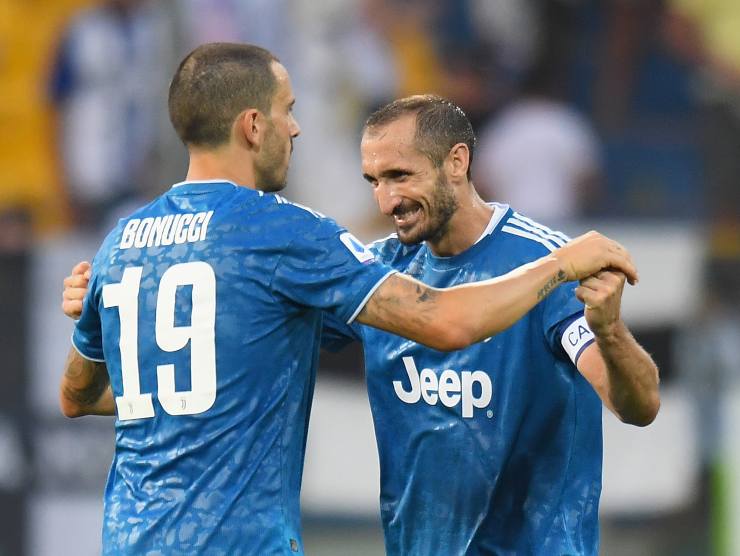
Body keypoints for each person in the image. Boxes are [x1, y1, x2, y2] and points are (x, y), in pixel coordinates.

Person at [59, 43, 637, 555]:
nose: (297, 129)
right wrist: (561, 264)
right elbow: (443, 319)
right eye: (288, 110)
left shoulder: (121, 243)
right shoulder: (283, 233)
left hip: (128, 536)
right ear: (253, 125)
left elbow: (78, 395)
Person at [316, 95, 659, 555]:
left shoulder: (548, 264)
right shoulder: (380, 276)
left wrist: (611, 332)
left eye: (400, 176)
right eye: (373, 181)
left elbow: (638, 406)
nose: (385, 200)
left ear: (456, 161)